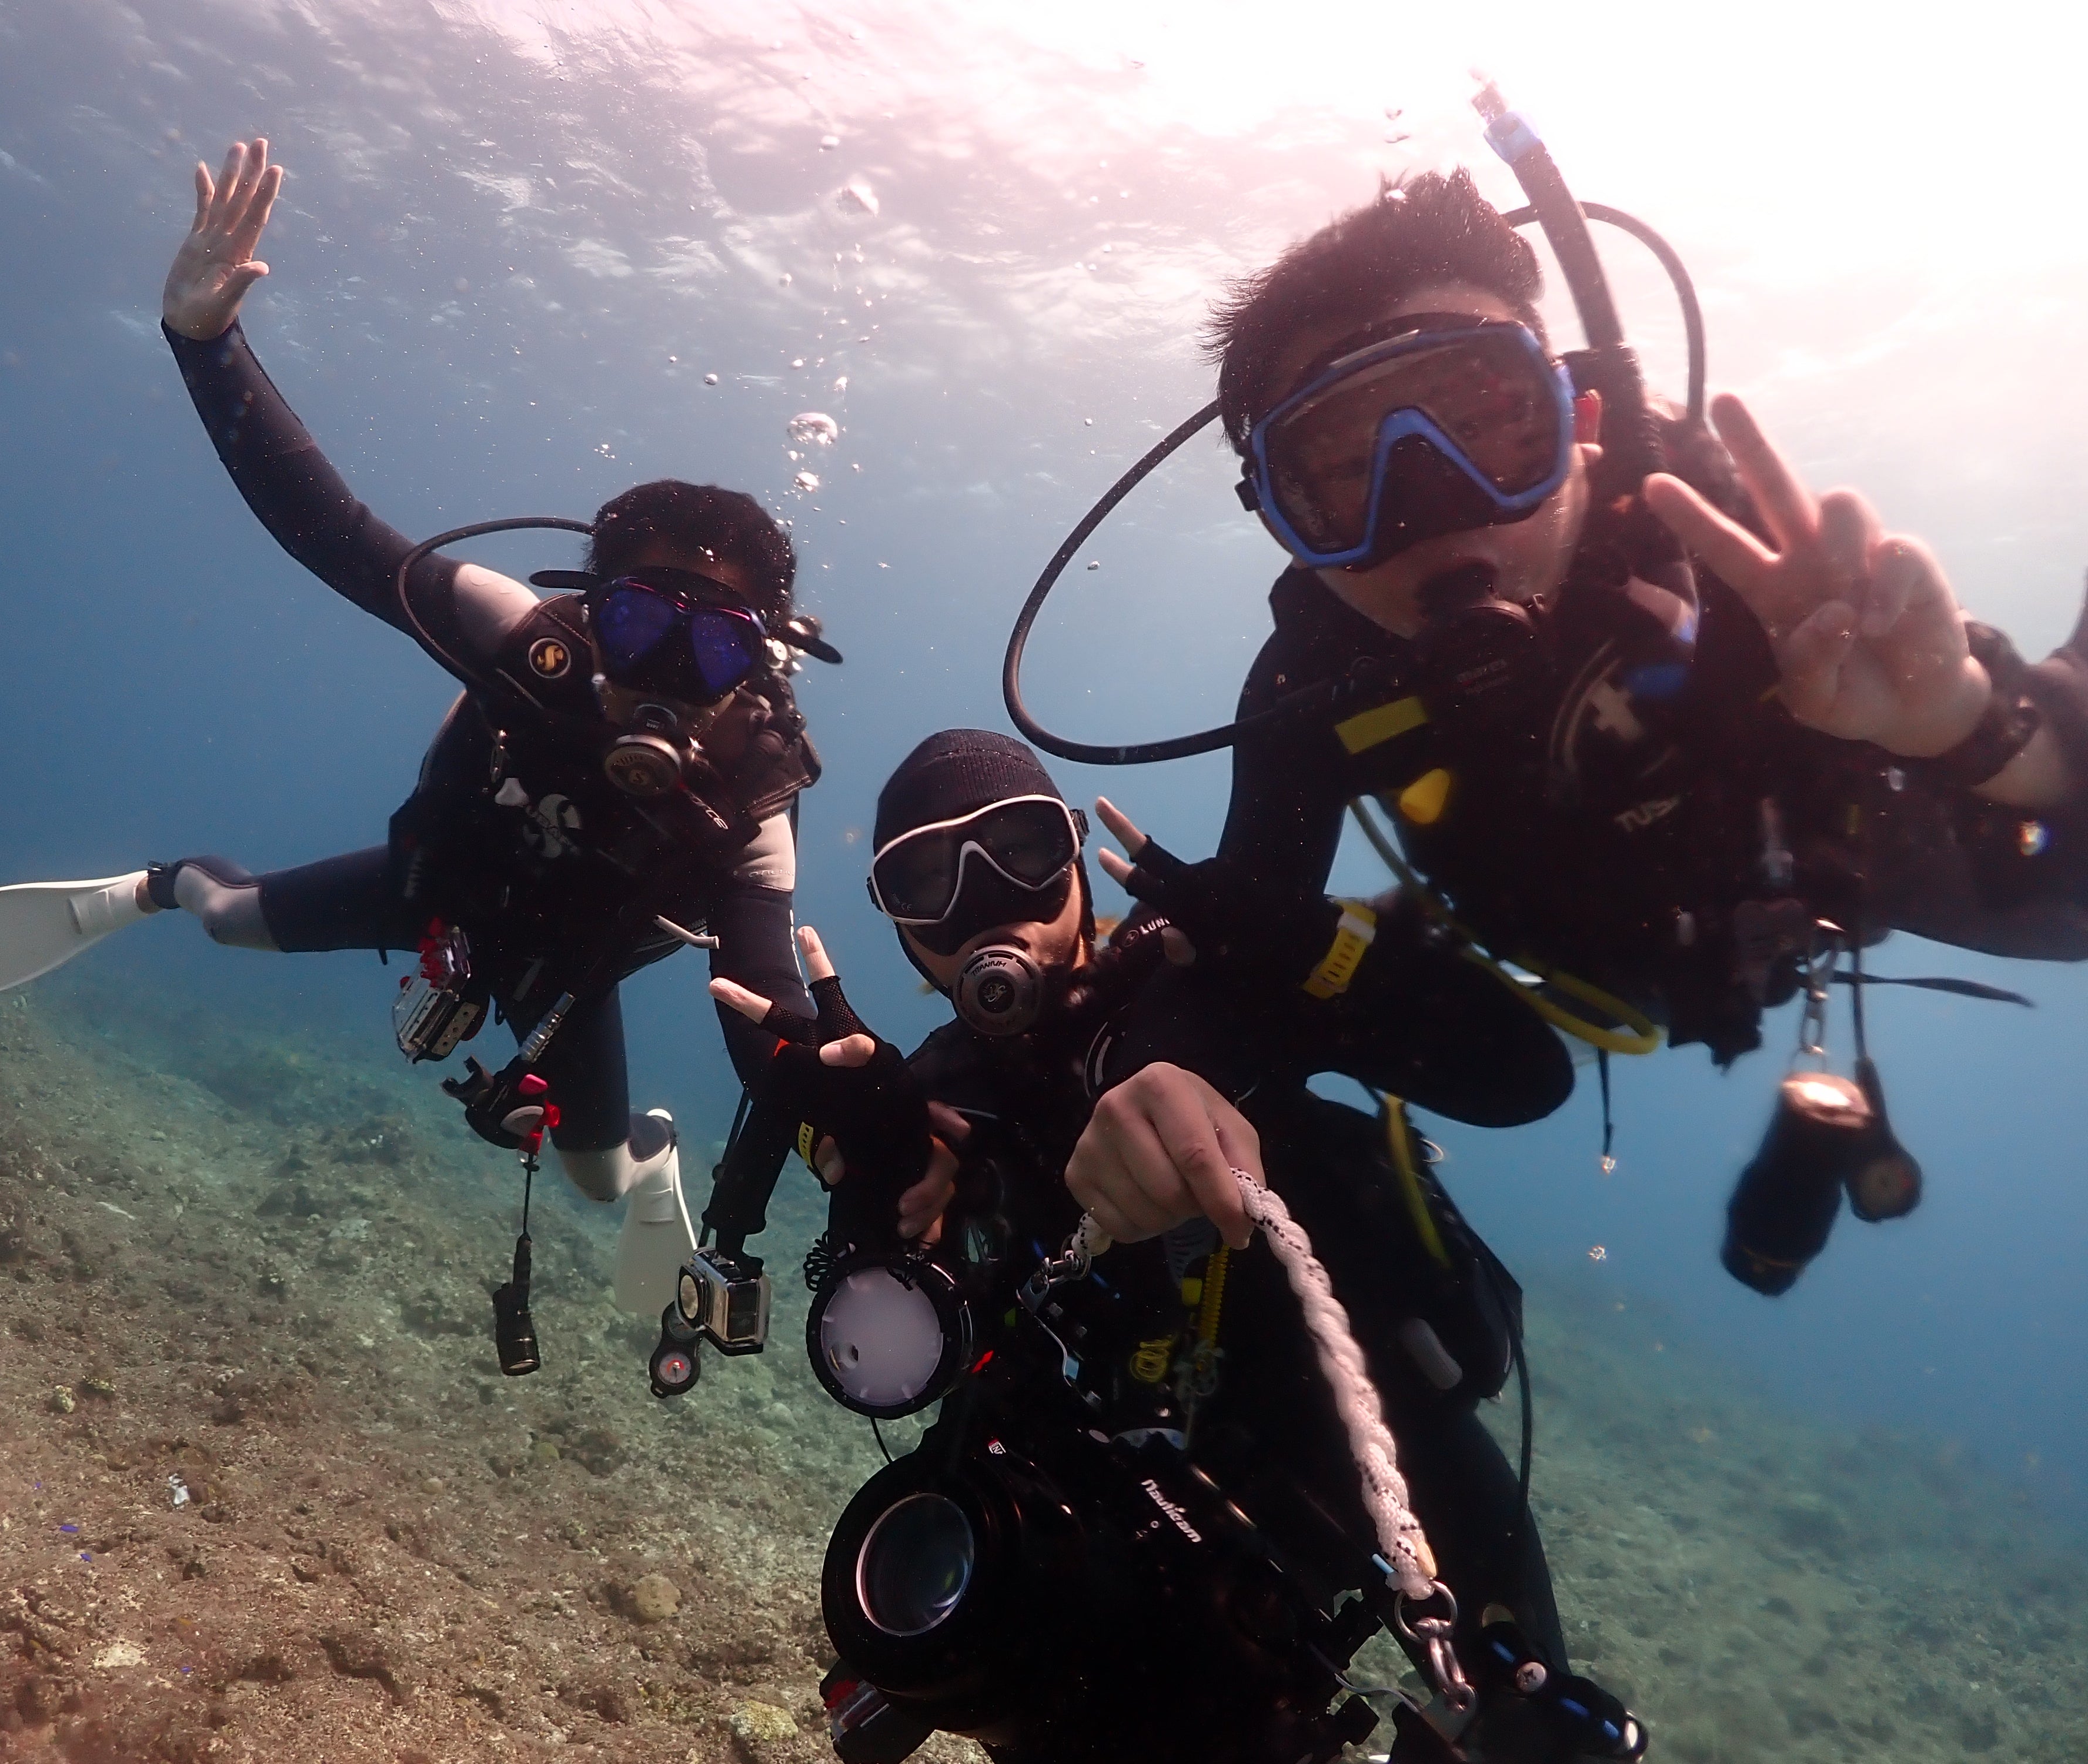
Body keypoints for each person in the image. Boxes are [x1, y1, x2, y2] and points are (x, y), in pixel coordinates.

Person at [1067, 168, 2088, 1282]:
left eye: (1483, 422)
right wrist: (1168, 1069)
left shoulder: (1718, 542)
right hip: (1559, 971)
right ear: (1285, 528)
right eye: (1344, 473)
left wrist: (1971, 727)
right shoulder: (1318, 687)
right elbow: (1243, 940)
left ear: (1581, 419)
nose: (1429, 506)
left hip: (1823, 872)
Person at [712, 730, 1640, 1763]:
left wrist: (1302, 943)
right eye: (926, 878)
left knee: (1527, 1734)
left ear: (1073, 856)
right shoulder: (929, 1095)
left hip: (1374, 1446)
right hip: (1119, 1509)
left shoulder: (1215, 970)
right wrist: (877, 1188)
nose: (982, 900)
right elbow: (903, 1342)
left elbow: (1524, 1076)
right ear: (898, 928)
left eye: (1017, 847)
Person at [148, 138, 829, 1314]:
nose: (664, 673)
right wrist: (204, 343)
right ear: (587, 609)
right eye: (635, 623)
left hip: (567, 976)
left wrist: (833, 1097)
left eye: (712, 646)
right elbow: (335, 533)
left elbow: (762, 997)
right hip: (428, 888)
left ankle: (647, 1150)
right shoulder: (526, 639)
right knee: (222, 920)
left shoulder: (750, 804)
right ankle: (156, 883)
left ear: (755, 664)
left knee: (603, 1187)